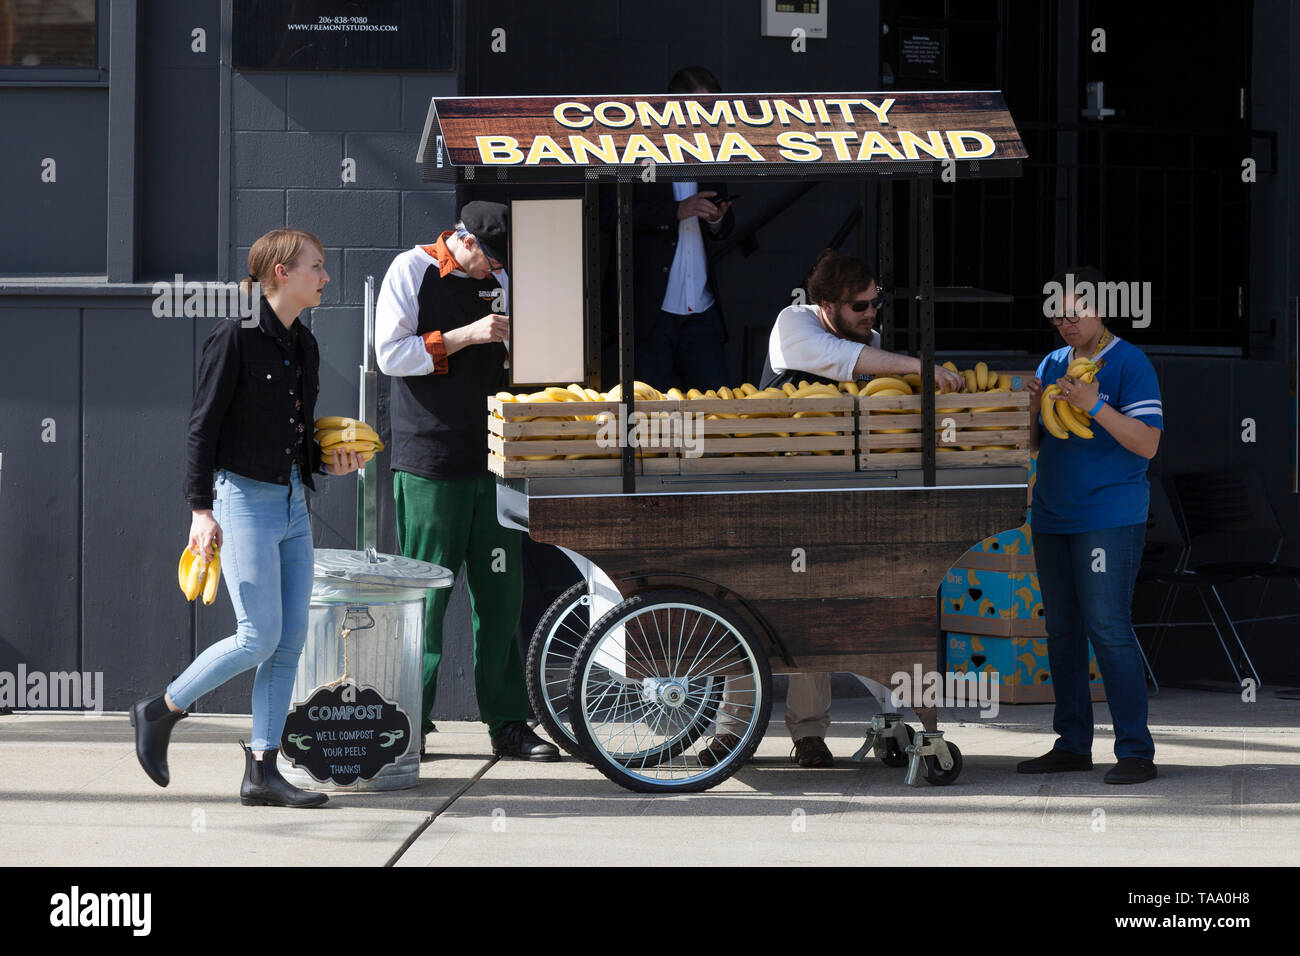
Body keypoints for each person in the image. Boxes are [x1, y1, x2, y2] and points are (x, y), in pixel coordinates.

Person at [699, 249, 963, 768]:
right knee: (749, 608)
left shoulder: (873, 345)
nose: (872, 315)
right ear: (827, 303)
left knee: (815, 613)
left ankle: (810, 734)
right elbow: (843, 362)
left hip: (834, 501)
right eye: (861, 306)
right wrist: (920, 366)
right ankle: (732, 731)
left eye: (875, 304)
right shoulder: (793, 324)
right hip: (770, 494)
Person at [130, 228, 364, 808]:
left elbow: (297, 438)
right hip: (241, 502)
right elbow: (201, 427)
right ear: (281, 272)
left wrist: (328, 461)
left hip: (291, 504)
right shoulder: (232, 337)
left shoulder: (303, 346)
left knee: (287, 643)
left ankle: (262, 771)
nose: (325, 277)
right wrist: (200, 510)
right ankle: (161, 710)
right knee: (257, 636)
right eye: (316, 266)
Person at [375, 201, 559, 762]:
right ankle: (412, 723)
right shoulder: (410, 270)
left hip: (497, 460)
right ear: (466, 243)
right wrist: (467, 334)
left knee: (502, 597)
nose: (496, 272)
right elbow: (389, 354)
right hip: (431, 460)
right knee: (426, 601)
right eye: (492, 261)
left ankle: (507, 723)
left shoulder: (501, 278)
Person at [1018, 266, 1162, 784]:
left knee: (1109, 628)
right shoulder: (1054, 361)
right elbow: (1037, 445)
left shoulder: (1131, 363)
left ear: (1102, 308)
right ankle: (1073, 743)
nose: (1065, 322)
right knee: (1062, 632)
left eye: (1075, 311)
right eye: (1057, 312)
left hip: (1110, 516)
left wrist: (1094, 403)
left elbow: (1148, 443)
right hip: (1053, 515)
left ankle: (1135, 752)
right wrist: (1032, 410)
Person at [632, 65, 735, 390]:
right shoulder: (639, 149)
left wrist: (717, 218)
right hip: (653, 310)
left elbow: (726, 222)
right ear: (672, 107)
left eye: (710, 111)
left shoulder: (713, 152)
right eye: (698, 110)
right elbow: (611, 216)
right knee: (647, 415)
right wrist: (677, 211)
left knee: (716, 410)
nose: (705, 120)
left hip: (702, 308)